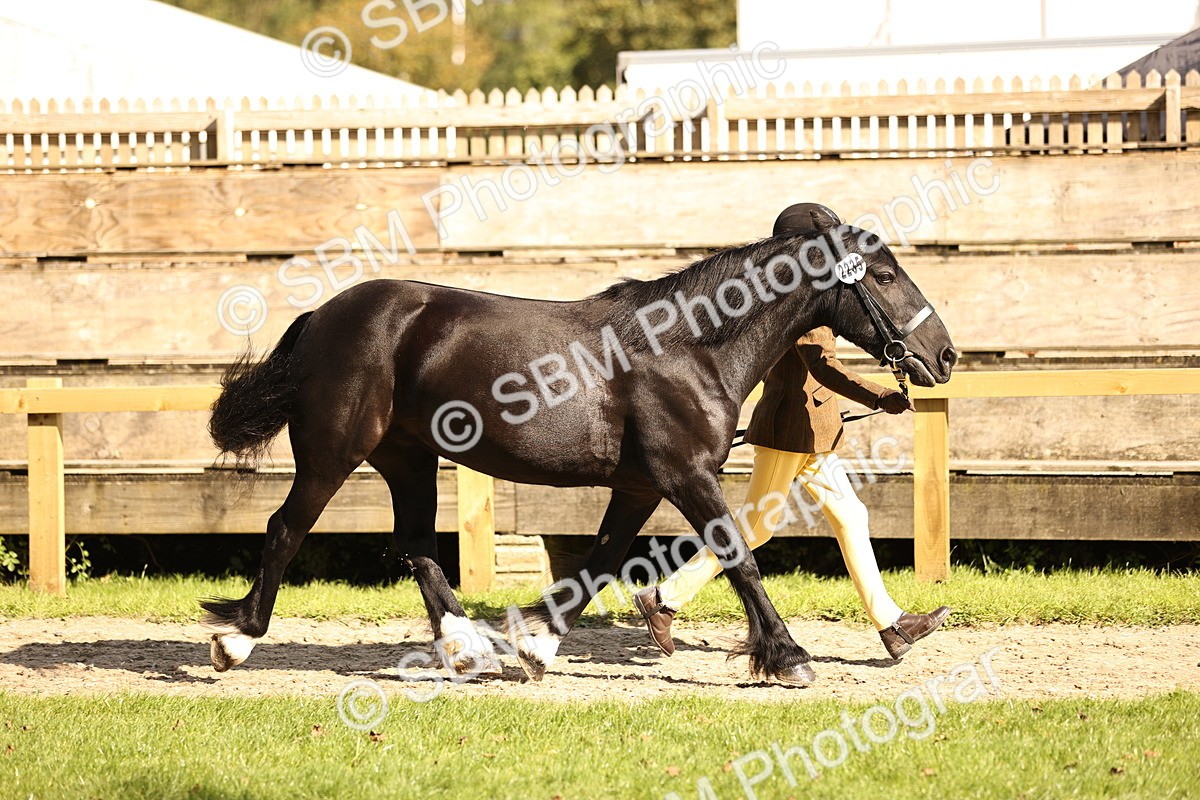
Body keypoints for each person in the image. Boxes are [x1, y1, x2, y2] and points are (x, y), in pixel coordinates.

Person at [633, 203, 950, 661]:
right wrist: (879, 396)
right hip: (790, 432)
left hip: (815, 434)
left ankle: (892, 624)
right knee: (755, 527)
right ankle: (663, 599)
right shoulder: (797, 303)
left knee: (851, 518)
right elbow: (825, 367)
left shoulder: (800, 296)